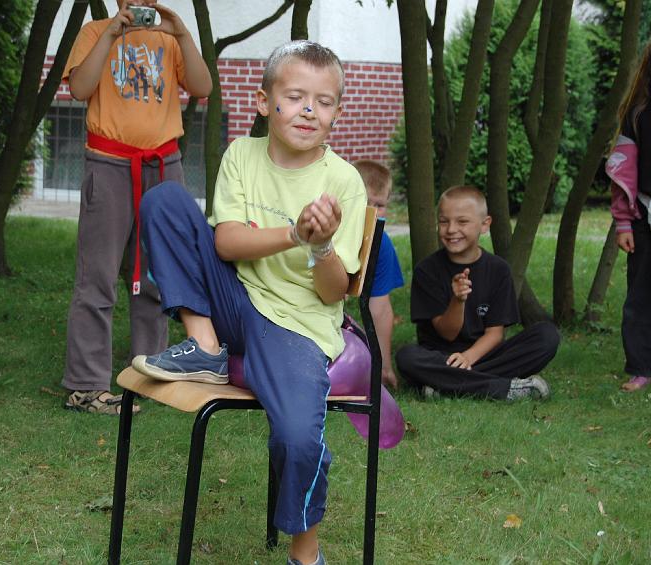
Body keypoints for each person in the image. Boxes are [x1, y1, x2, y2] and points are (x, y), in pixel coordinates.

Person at [131, 41, 366, 565]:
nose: (309, 110)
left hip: (294, 325)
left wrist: (321, 246)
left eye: (324, 101)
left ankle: (305, 552)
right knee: (164, 199)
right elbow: (225, 243)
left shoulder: (343, 182)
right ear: (264, 102)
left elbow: (333, 292)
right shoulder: (242, 154)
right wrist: (294, 234)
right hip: (233, 298)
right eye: (295, 96)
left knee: (298, 439)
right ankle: (204, 345)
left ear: (337, 113)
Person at [59, 0, 212, 414]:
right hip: (110, 164)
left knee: (159, 274)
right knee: (98, 276)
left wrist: (182, 34)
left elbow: (202, 87)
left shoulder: (169, 37)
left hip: (163, 164)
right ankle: (86, 385)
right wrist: (112, 33)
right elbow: (79, 89)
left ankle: (150, 373)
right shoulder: (95, 32)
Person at [395, 186, 559, 401]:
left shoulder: (499, 269)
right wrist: (458, 300)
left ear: (485, 224)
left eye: (462, 222)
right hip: (439, 358)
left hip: (483, 356)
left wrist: (468, 357)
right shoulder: (427, 270)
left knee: (547, 336)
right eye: (443, 221)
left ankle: (444, 386)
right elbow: (447, 333)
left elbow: (495, 334)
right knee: (407, 357)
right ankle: (504, 389)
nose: (451, 229)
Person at [607, 29, 651, 392]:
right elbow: (623, 173)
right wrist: (623, 223)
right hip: (647, 218)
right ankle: (646, 370)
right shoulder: (638, 115)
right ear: (650, 66)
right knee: (644, 297)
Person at [353, 159, 404, 390]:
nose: (371, 211)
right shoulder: (326, 230)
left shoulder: (381, 243)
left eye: (379, 205)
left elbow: (380, 308)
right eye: (364, 202)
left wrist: (382, 366)